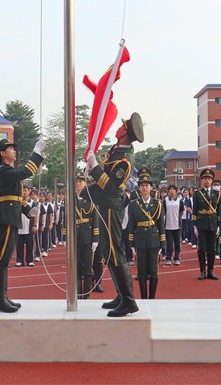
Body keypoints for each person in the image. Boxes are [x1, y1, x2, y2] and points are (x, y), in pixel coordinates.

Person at [81, 112, 144, 317]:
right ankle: (121, 296)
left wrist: (95, 167)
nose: (117, 128)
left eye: (121, 126)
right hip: (105, 203)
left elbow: (109, 186)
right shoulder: (118, 150)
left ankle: (129, 301)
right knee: (109, 252)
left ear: (125, 133)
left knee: (115, 252)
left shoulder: (125, 160)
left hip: (111, 204)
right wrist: (92, 168)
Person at [0, 138, 45, 313]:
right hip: (6, 218)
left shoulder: (8, 171)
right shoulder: (4, 170)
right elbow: (26, 171)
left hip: (11, 217)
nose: (14, 151)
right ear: (2, 153)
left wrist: (28, 210)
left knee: (5, 259)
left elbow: (16, 198)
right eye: (10, 149)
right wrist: (36, 154)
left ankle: (3, 298)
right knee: (1, 260)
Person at [128, 167, 165, 299]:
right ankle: (144, 298)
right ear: (139, 188)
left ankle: (152, 298)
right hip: (140, 240)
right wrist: (131, 243)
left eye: (147, 185)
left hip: (154, 239)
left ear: (151, 188)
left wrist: (162, 243)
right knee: (141, 271)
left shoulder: (158, 204)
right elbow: (131, 224)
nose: (144, 188)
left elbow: (161, 225)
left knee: (154, 271)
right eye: (142, 185)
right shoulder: (134, 204)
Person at [74, 171, 100, 298]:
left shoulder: (91, 199)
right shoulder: (71, 200)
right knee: (77, 268)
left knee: (88, 268)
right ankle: (79, 294)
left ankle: (87, 294)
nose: (78, 183)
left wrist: (96, 238)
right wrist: (65, 236)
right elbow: (66, 219)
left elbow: (95, 219)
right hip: (75, 237)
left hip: (88, 237)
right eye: (76, 181)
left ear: (85, 183)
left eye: (81, 181)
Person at [192, 168, 221, 280]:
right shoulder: (197, 194)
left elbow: (219, 211)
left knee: (212, 249)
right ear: (202, 180)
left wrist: (219, 225)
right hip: (202, 223)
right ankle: (202, 271)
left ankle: (211, 271)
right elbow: (195, 210)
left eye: (209, 178)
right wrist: (194, 225)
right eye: (205, 178)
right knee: (202, 248)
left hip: (213, 223)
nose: (207, 180)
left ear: (212, 180)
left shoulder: (217, 194)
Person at [163, 184, 184, 266]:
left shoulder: (179, 200)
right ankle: (168, 258)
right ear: (168, 191)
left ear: (176, 191)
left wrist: (177, 218)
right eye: (170, 189)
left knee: (177, 243)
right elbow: (164, 211)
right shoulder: (165, 200)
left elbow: (181, 212)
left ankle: (177, 258)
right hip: (168, 225)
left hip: (177, 225)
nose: (172, 191)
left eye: (173, 189)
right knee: (169, 243)